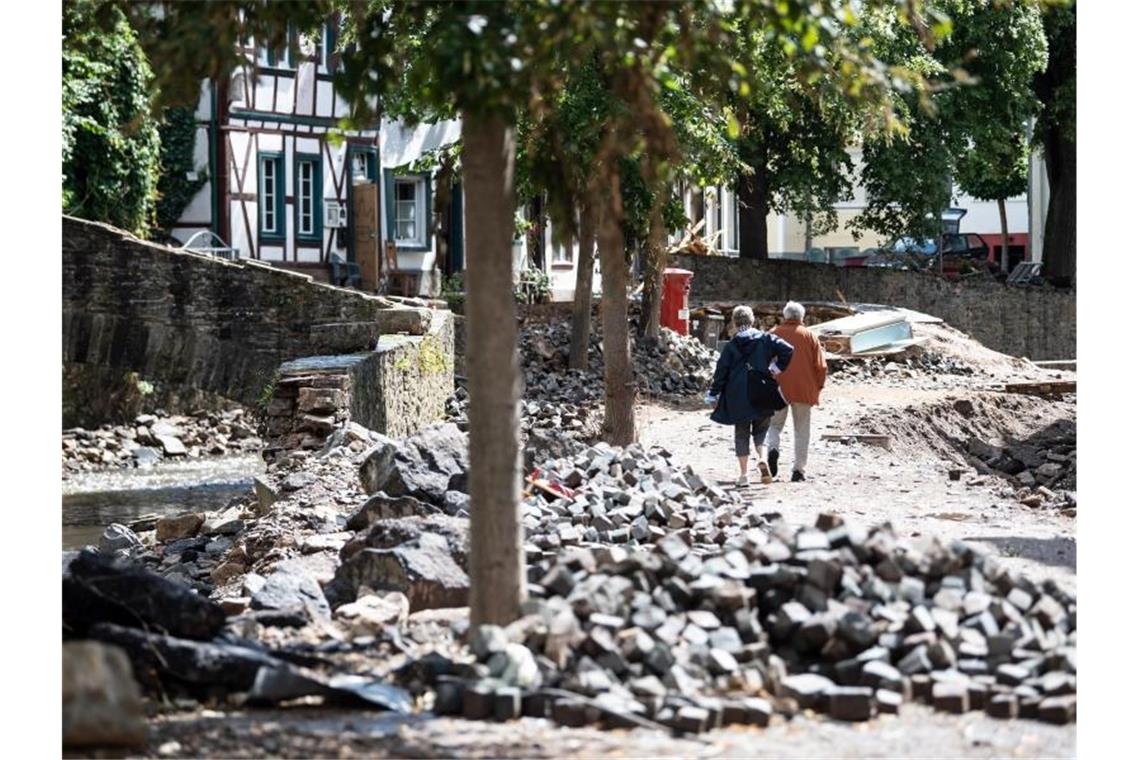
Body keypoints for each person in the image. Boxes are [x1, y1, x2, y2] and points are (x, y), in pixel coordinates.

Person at [706, 305, 794, 486]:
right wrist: (774, 369)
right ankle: (762, 458)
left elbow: (720, 373)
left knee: (741, 434)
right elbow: (788, 350)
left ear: (734, 323)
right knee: (762, 431)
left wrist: (713, 395)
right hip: (762, 392)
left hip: (738, 397)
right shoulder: (766, 339)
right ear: (752, 320)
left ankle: (743, 475)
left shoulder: (731, 346)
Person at [764, 300, 828, 482]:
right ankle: (798, 470)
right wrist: (819, 386)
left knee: (774, 425)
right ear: (802, 317)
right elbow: (821, 367)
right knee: (801, 430)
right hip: (803, 388)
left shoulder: (772, 334)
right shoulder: (809, 336)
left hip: (777, 387)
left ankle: (773, 449)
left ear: (785, 316)